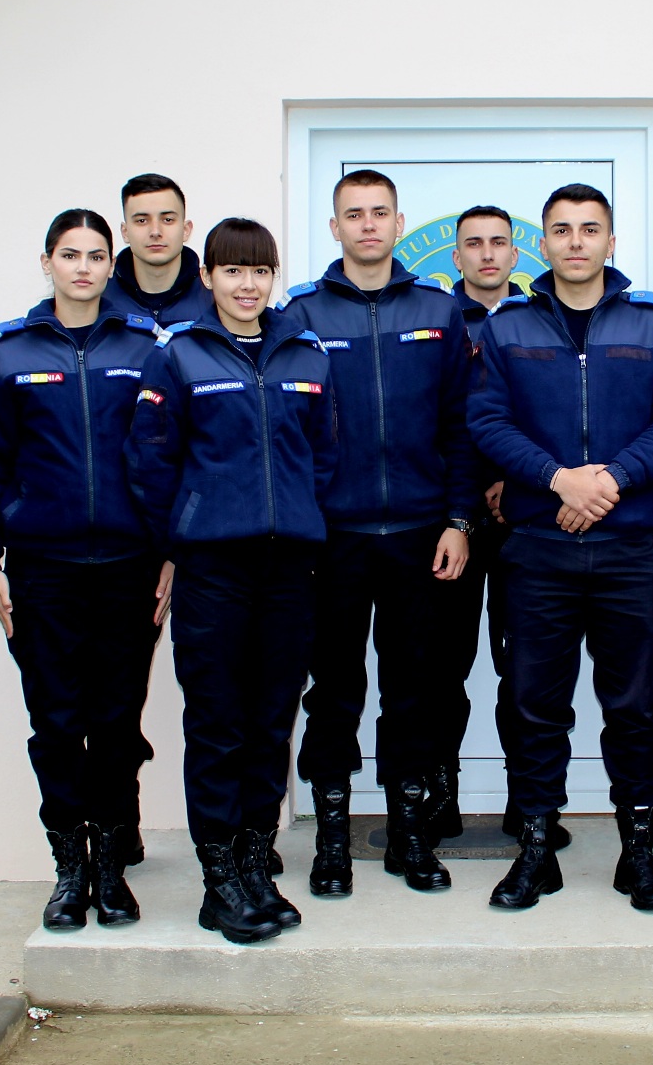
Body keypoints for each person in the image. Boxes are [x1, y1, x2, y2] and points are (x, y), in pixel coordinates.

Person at [469, 183, 653, 913]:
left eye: (589, 229)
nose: (575, 242)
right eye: (562, 230)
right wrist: (557, 478)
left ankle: (638, 853)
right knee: (534, 706)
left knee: (636, 708)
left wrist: (610, 479)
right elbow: (486, 420)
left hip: (632, 551)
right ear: (543, 243)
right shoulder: (507, 327)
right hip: (539, 549)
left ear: (610, 241)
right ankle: (537, 850)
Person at [126, 217, 337, 945]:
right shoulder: (178, 355)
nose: (248, 285)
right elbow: (151, 463)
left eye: (260, 271)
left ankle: (255, 866)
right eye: (233, 271)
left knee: (271, 720)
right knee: (218, 724)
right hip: (213, 569)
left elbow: (323, 453)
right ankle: (219, 881)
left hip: (289, 569)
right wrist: (180, 537)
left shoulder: (305, 352)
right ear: (208, 277)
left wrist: (302, 514)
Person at [0, 209, 165, 933]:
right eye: (70, 255)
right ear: (46, 263)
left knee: (115, 722)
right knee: (54, 722)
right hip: (41, 570)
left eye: (96, 255)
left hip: (130, 567)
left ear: (113, 265)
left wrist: (171, 550)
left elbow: (168, 455)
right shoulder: (8, 353)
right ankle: (69, 868)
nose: (84, 267)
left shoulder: (146, 348)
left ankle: (111, 868)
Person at [280, 170, 477, 897]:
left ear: (399, 223)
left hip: (421, 534)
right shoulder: (299, 315)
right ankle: (332, 839)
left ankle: (408, 834)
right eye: (353, 214)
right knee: (333, 691)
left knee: (414, 689)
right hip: (333, 538)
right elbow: (286, 433)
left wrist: (459, 519)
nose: (367, 225)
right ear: (335, 227)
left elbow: (461, 425)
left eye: (379, 213)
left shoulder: (438, 310)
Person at [443, 205, 565, 847]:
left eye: (499, 243)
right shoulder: (437, 322)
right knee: (442, 668)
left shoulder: (539, 319)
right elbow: (439, 422)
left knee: (526, 672)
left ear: (518, 255)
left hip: (527, 516)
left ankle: (528, 805)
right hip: (452, 521)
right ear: (456, 256)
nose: (487, 254)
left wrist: (517, 483)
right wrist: (465, 502)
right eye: (474, 244)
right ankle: (440, 800)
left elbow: (551, 418)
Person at [100, 173, 215, 324]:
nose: (155, 232)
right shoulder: (100, 298)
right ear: (125, 232)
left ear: (186, 230)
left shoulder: (215, 299)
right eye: (142, 220)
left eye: (167, 220)